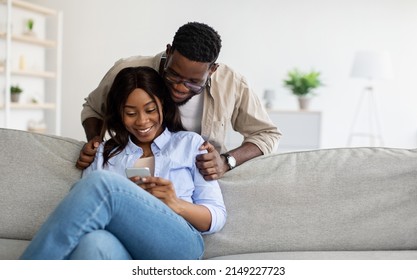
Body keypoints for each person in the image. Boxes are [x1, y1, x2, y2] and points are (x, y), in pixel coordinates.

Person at [20, 66, 226, 260]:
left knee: (102, 184)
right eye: (130, 113)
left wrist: (176, 203)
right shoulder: (103, 153)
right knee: (93, 243)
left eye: (150, 110)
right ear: (119, 113)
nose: (142, 121)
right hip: (124, 249)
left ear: (163, 103)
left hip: (178, 246)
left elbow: (216, 217)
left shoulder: (190, 144)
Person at [77, 21, 281, 180]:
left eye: (193, 83)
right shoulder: (130, 71)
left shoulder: (232, 83)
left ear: (212, 70)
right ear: (169, 51)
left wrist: (226, 161)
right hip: (135, 170)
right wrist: (95, 142)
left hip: (194, 178)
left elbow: (267, 134)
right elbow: (93, 108)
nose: (179, 87)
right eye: (173, 75)